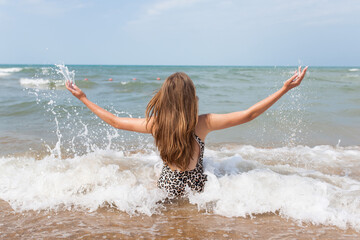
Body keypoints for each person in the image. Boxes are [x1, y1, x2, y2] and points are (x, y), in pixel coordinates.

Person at [65, 66, 308, 197]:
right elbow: (249, 114)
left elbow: (115, 122)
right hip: (198, 189)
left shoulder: (156, 125)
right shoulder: (202, 123)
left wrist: (84, 98)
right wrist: (285, 89)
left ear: (165, 98)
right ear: (191, 97)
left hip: (167, 187)